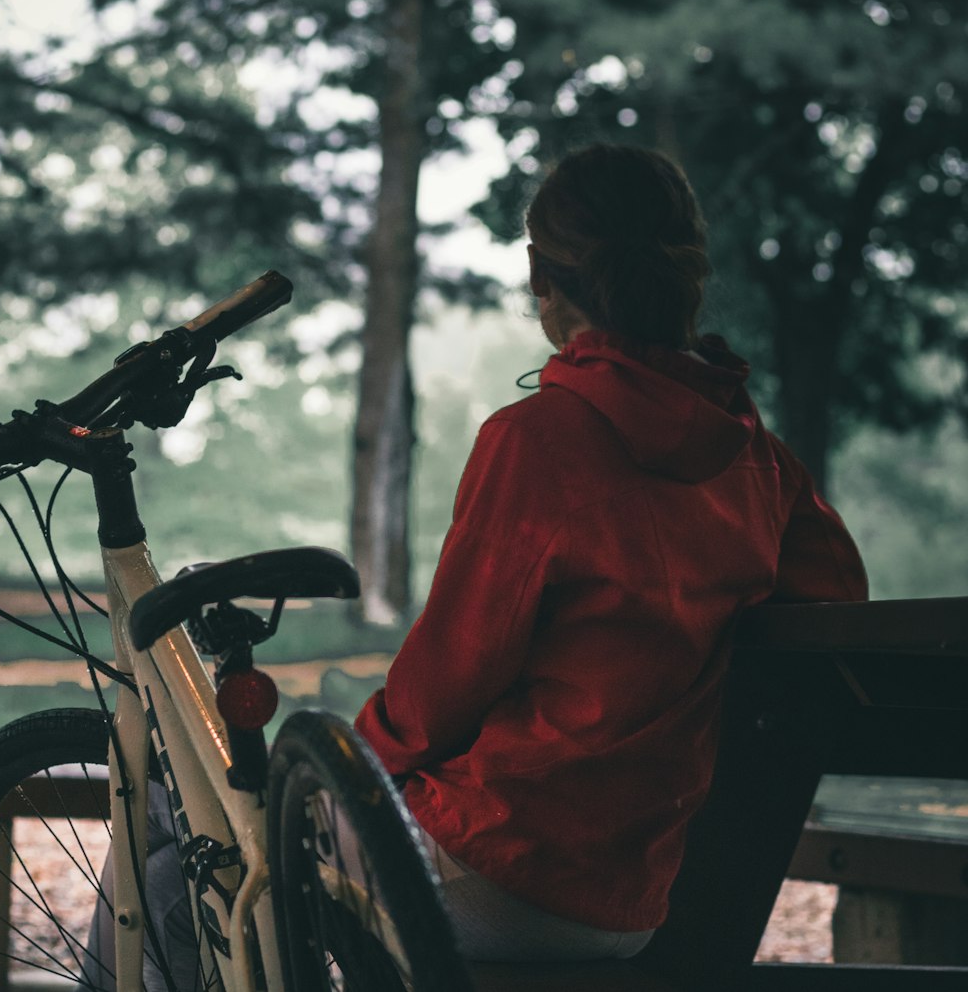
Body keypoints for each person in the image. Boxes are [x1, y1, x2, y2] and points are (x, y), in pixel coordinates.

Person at [354, 142, 867, 963]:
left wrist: (350, 765)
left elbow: (439, 692)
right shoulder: (751, 455)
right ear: (685, 275)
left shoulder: (537, 441)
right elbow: (836, 590)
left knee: (196, 851)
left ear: (539, 276)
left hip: (492, 864)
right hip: (631, 903)